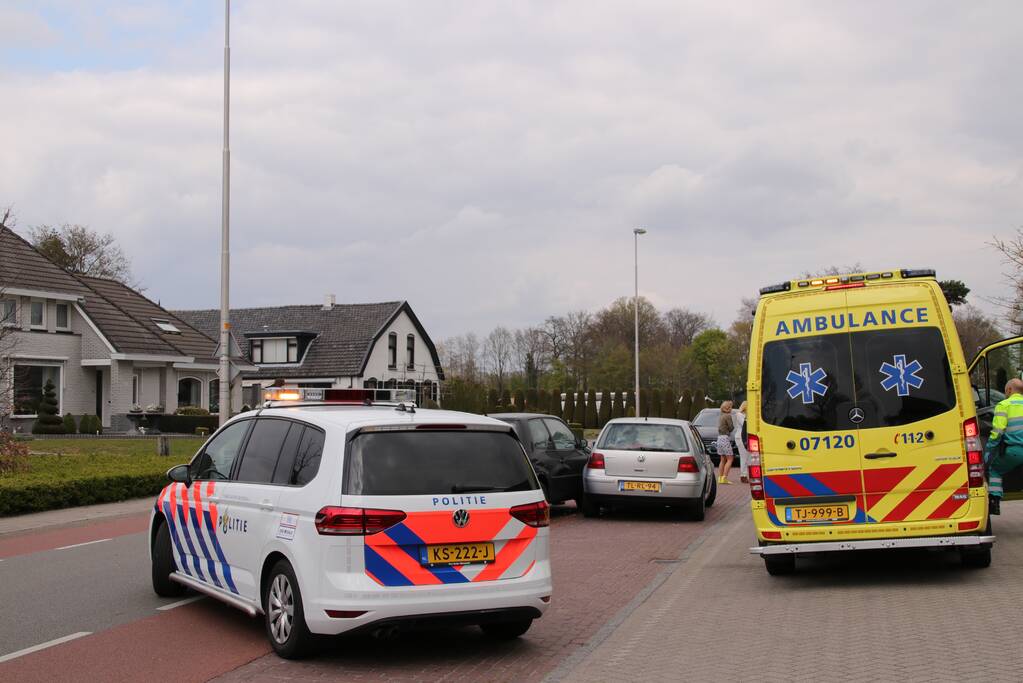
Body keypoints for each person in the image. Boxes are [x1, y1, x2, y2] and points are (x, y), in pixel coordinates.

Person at [984, 378, 1023, 515]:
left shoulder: (1004, 405)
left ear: (1009, 390)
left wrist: (988, 450)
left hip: (1014, 451)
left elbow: (997, 432)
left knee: (994, 469)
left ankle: (994, 500)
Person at [717, 400, 735, 484]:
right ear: (728, 408)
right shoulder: (728, 416)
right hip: (725, 438)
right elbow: (731, 427)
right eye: (731, 406)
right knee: (730, 458)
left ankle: (720, 478)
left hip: (719, 438)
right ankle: (725, 478)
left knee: (722, 459)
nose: (732, 408)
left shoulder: (721, 415)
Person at [733, 401, 750, 483]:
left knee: (747, 456)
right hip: (741, 437)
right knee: (744, 456)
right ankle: (743, 475)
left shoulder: (744, 415)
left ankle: (745, 474)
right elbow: (745, 424)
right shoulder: (739, 414)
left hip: (745, 437)